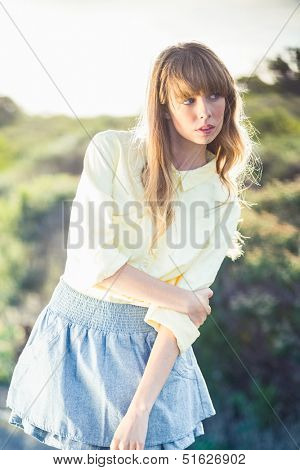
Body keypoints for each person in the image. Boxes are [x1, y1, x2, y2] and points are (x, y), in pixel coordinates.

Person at [6, 41, 251, 450]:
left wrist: (139, 410)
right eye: (187, 99)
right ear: (163, 103)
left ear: (229, 99)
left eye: (214, 95)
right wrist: (180, 297)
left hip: (149, 356)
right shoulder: (111, 150)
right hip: (75, 337)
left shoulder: (223, 199)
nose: (204, 112)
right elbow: (91, 263)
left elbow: (176, 321)